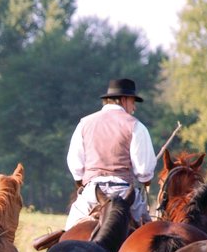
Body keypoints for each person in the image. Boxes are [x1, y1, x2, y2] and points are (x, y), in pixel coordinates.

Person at [64, 78, 156, 230]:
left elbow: (75, 165)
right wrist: (145, 179)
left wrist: (82, 181)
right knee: (151, 238)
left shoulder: (84, 123)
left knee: (66, 235)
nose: (134, 108)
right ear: (124, 100)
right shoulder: (136, 126)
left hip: (91, 193)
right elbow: (144, 171)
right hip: (125, 193)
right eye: (133, 102)